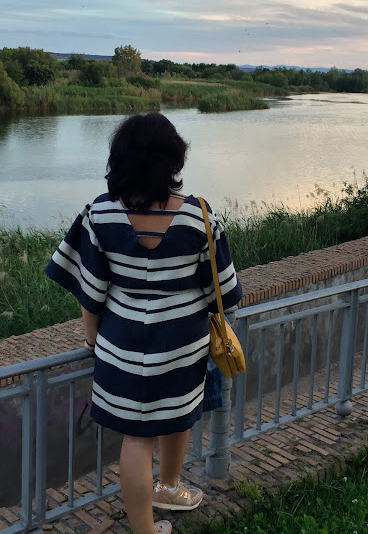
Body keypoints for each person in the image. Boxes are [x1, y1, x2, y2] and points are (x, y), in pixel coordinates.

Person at [45, 113, 243, 534]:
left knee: (136, 440)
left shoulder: (99, 213)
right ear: (173, 160)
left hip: (122, 347)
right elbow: (225, 294)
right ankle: (168, 488)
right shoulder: (199, 215)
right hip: (183, 346)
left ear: (120, 158)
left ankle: (147, 522)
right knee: (178, 416)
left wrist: (93, 340)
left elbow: (90, 293)